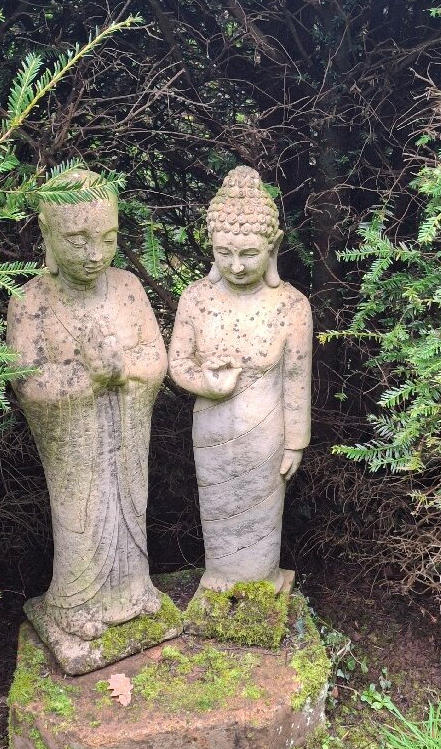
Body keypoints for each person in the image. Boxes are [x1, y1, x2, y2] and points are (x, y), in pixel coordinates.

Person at [7, 170, 166, 664]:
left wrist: (122, 370)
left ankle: (135, 589)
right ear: (48, 233)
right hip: (74, 443)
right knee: (81, 513)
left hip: (126, 429)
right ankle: (72, 602)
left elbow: (156, 359)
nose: (95, 254)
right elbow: (28, 382)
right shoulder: (30, 301)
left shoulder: (128, 288)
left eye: (108, 238)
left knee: (129, 504)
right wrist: (88, 379)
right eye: (78, 240)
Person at [168, 166, 313, 593]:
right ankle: (220, 577)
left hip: (266, 431)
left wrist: (296, 442)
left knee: (261, 512)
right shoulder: (196, 298)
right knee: (217, 506)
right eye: (223, 252)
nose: (236, 265)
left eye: (249, 253)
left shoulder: (291, 305)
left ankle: (261, 579)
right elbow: (178, 362)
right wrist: (205, 382)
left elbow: (296, 378)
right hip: (211, 427)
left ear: (273, 246)